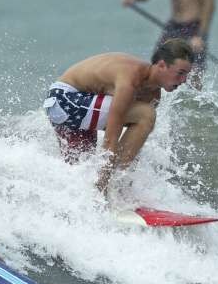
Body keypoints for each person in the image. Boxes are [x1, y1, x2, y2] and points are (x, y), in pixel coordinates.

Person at [43, 38, 193, 191]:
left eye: (186, 74)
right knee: (146, 115)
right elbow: (111, 137)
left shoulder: (153, 95)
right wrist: (103, 186)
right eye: (180, 73)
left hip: (73, 107)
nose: (183, 80)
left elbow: (133, 141)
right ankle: (114, 189)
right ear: (161, 65)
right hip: (65, 100)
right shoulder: (130, 79)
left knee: (81, 174)